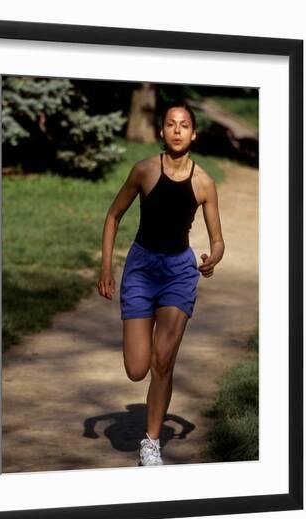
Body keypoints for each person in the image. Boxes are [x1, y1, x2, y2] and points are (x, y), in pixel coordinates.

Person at [97, 99, 225, 466]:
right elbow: (113, 215)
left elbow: (217, 239)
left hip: (179, 273)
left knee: (163, 361)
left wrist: (213, 257)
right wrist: (107, 269)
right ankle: (150, 428)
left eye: (184, 124)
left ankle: (151, 441)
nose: (177, 130)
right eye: (171, 123)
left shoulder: (204, 183)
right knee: (137, 369)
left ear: (194, 133)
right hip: (141, 268)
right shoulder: (144, 171)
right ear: (161, 131)